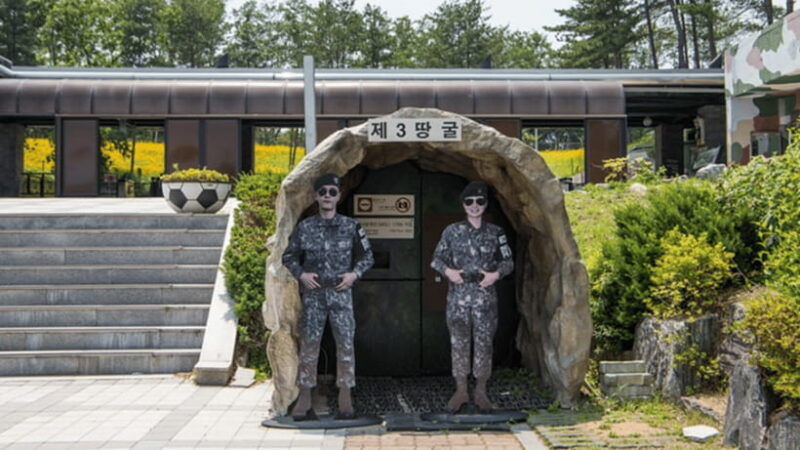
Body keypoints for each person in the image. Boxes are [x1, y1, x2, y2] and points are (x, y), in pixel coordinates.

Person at [282, 173, 374, 419]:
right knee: (310, 345)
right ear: (316, 196)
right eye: (323, 192)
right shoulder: (306, 227)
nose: (327, 197)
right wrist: (301, 274)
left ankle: (345, 396)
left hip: (341, 295)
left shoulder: (351, 226)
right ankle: (304, 397)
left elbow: (367, 257)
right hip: (314, 295)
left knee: (345, 344)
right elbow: (289, 256)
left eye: (332, 192)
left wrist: (354, 274)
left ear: (338, 196)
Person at [430, 181, 514, 412]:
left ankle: (481, 391)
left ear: (485, 205)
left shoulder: (496, 233)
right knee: (459, 344)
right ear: (463, 205)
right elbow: (436, 260)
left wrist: (495, 275)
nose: (474, 206)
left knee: (484, 345)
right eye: (469, 202)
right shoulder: (452, 231)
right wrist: (449, 272)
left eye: (479, 202)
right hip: (458, 300)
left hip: (485, 299)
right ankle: (460, 391)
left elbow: (508, 262)